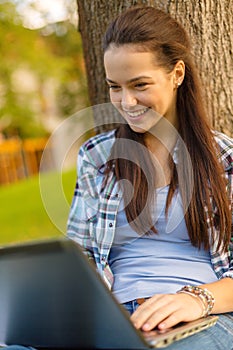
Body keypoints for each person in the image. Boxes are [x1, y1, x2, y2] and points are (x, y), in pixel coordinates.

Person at [67, 6, 233, 350]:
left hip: (201, 319)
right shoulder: (97, 156)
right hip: (115, 321)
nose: (126, 102)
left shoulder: (225, 159)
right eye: (115, 87)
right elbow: (78, 260)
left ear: (177, 74)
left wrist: (196, 299)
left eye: (140, 85)